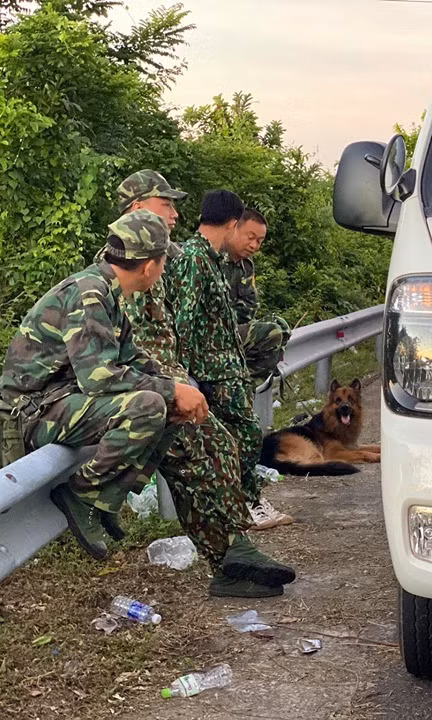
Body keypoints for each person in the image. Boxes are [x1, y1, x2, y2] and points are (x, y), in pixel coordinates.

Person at [100, 170, 295, 596]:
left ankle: (232, 555)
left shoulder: (165, 256)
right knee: (205, 450)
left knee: (217, 447)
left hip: (163, 381)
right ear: (137, 209)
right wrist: (179, 385)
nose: (175, 213)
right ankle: (232, 556)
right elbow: (136, 345)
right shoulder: (124, 263)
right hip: (142, 389)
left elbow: (166, 332)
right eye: (166, 204)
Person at [0, 209, 207, 560]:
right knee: (151, 404)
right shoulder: (89, 294)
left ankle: (109, 499)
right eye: (163, 262)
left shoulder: (107, 293)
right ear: (147, 266)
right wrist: (169, 391)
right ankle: (80, 493)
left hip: (66, 401)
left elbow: (131, 359)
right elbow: (99, 377)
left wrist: (177, 385)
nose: (163, 270)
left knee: (170, 400)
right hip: (35, 411)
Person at [165, 190, 291, 529]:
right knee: (248, 433)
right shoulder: (195, 258)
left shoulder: (210, 257)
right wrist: (186, 378)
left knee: (237, 438)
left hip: (224, 368)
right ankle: (249, 505)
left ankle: (239, 508)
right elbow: (184, 322)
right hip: (213, 371)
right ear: (233, 223)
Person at [222, 209, 292, 390]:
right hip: (217, 332)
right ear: (235, 228)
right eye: (250, 237)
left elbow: (250, 304)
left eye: (259, 241)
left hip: (236, 327)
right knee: (271, 332)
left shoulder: (246, 266)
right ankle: (237, 387)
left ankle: (246, 385)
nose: (254, 245)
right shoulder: (214, 258)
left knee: (280, 326)